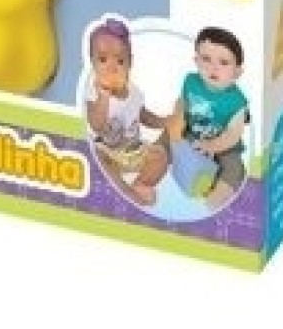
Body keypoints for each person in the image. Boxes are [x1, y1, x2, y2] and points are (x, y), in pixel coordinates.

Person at [160, 26, 249, 211]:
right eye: (206, 59)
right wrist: (178, 118)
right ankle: (155, 157)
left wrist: (212, 146)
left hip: (224, 147)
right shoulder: (191, 81)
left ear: (237, 72)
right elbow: (182, 102)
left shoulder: (237, 101)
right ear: (196, 61)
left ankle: (218, 195)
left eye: (224, 62)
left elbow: (233, 134)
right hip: (191, 133)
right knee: (168, 134)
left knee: (233, 167)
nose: (213, 68)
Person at [84, 17, 168, 206]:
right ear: (92, 63)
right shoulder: (93, 93)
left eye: (120, 61)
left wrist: (164, 121)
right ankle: (124, 192)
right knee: (95, 155)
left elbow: (143, 115)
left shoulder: (134, 92)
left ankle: (139, 186)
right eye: (102, 59)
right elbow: (96, 124)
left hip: (132, 151)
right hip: (107, 153)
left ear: (130, 64)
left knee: (160, 156)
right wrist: (104, 98)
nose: (111, 67)